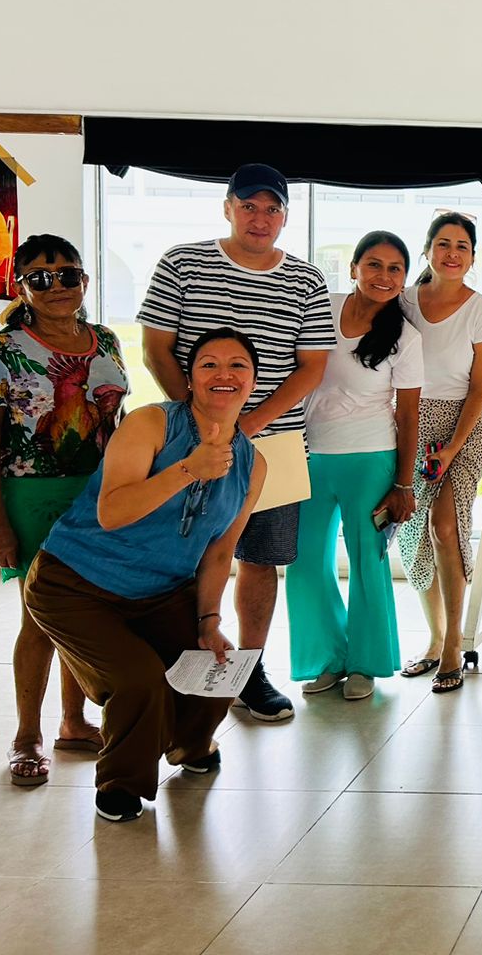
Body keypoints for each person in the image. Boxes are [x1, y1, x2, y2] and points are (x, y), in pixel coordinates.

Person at [23, 328, 267, 823]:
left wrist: (209, 620)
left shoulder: (253, 463)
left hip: (160, 592)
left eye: (237, 365)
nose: (223, 374)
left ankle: (188, 744)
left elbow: (220, 551)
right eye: (209, 365)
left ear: (253, 380)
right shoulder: (152, 423)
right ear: (190, 379)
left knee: (216, 666)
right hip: (74, 584)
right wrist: (189, 469)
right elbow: (112, 513)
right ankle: (120, 783)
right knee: (139, 681)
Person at [138, 163, 336, 722]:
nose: (260, 218)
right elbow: (156, 348)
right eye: (249, 206)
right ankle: (182, 669)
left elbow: (311, 366)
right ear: (227, 208)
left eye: (272, 209)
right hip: (189, 441)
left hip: (276, 443)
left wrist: (244, 426)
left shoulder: (306, 280)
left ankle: (249, 671)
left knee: (261, 559)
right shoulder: (182, 262)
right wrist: (201, 423)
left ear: (285, 217)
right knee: (185, 554)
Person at [0, 236, 128, 786]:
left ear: (84, 281)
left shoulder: (105, 339)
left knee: (85, 612)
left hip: (97, 493)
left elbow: (119, 424)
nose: (57, 287)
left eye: (67, 274)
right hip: (30, 494)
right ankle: (26, 736)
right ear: (20, 287)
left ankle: (74, 721)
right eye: (40, 278)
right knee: (40, 616)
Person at [286, 232, 422, 701]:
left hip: (370, 457)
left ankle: (366, 663)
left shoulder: (405, 337)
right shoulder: (322, 309)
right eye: (374, 265)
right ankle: (327, 659)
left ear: (404, 279)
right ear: (354, 268)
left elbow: (408, 415)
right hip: (309, 455)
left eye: (395, 269)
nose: (384, 276)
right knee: (304, 561)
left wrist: (403, 483)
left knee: (367, 560)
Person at [398, 212, 482, 694]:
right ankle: (435, 639)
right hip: (410, 420)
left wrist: (451, 448)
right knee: (414, 530)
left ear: (473, 257)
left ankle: (455, 645)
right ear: (427, 250)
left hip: (463, 425)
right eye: (443, 243)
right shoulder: (402, 302)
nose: (452, 253)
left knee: (444, 526)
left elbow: (479, 388)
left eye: (462, 246)